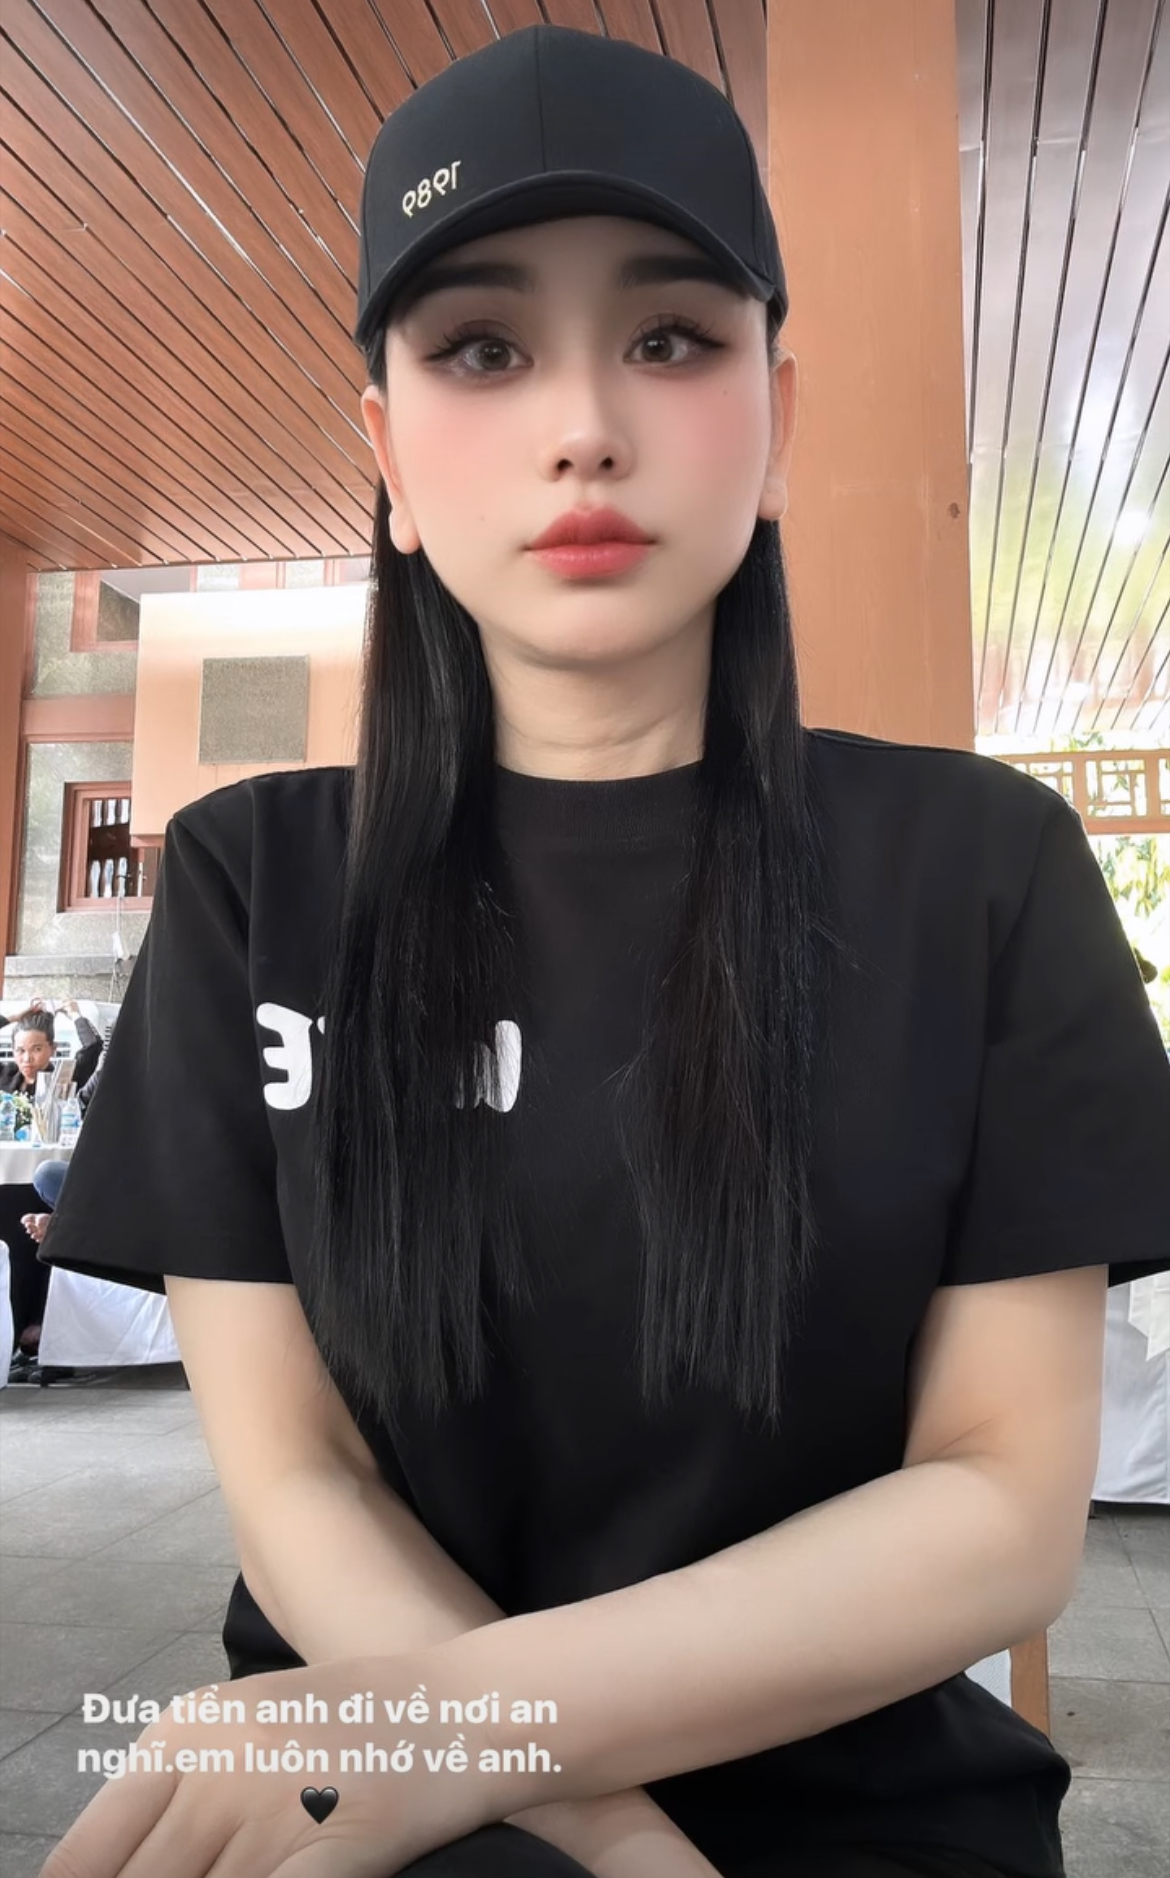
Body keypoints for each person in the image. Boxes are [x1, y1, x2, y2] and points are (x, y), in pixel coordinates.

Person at [36, 26, 1170, 1878]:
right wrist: (614, 1840)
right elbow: (297, 1475)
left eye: (669, 338)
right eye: (484, 348)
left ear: (775, 420)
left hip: (862, 1823)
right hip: (369, 1800)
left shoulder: (983, 868)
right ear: (388, 455)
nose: (583, 423)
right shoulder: (253, 879)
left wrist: (469, 1741)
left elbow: (1000, 1500)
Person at [1, 1001, 102, 1374]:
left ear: (51, 1049)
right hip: (11, 1178)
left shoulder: (63, 1079)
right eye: (20, 1050)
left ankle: (38, 1327)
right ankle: (13, 1332)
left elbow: (93, 1047)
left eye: (36, 1049)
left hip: (44, 1177)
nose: (27, 1059)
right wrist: (14, 1017)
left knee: (39, 1221)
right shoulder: (6, 1078)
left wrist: (74, 1014)